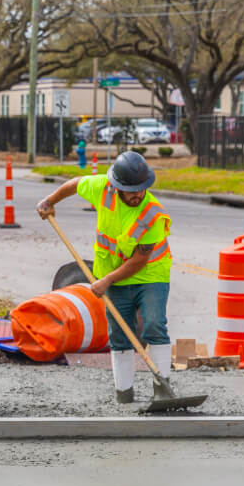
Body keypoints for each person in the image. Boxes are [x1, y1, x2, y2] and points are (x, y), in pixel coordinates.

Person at [36, 151, 172, 404]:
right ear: (117, 186)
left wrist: (107, 281)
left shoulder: (152, 214)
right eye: (131, 190)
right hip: (113, 276)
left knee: (154, 325)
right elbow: (75, 184)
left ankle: (163, 391)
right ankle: (124, 393)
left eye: (141, 188)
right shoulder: (102, 188)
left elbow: (139, 260)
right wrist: (50, 200)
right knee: (119, 334)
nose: (138, 194)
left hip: (150, 274)